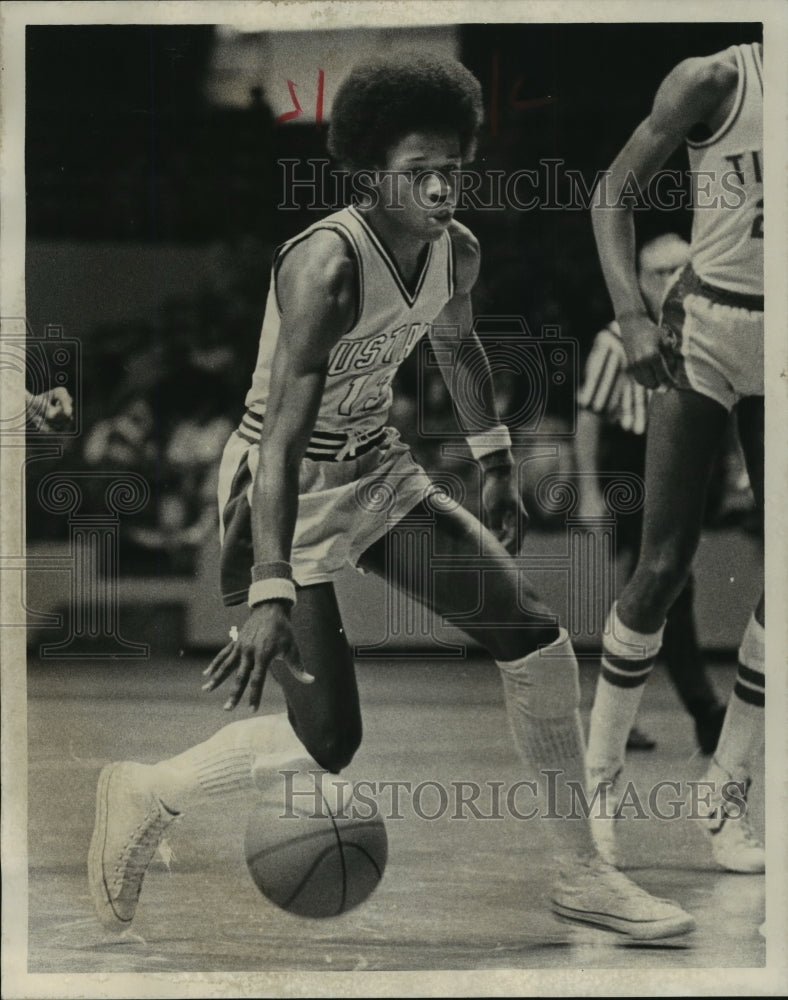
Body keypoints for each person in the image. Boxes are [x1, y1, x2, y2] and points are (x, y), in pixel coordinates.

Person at [89, 52, 695, 940]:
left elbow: (457, 347)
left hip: (376, 468)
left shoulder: (458, 249)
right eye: (419, 174)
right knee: (331, 742)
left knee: (534, 634)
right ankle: (150, 788)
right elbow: (284, 437)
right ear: (371, 177)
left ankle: (581, 873)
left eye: (454, 168)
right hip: (280, 487)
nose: (443, 189)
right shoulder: (327, 268)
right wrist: (269, 589)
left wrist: (492, 456)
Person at [587, 42, 764, 873]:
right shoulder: (716, 78)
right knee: (662, 564)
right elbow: (612, 191)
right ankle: (598, 789)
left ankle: (723, 794)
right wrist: (629, 311)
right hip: (708, 330)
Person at [575, 234, 726, 755]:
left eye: (679, 270)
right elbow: (589, 420)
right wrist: (590, 493)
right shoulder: (615, 341)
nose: (668, 281)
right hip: (631, 475)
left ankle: (613, 717)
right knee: (665, 591)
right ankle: (706, 712)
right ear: (637, 280)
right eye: (657, 272)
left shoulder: (703, 335)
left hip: (680, 473)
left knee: (656, 595)